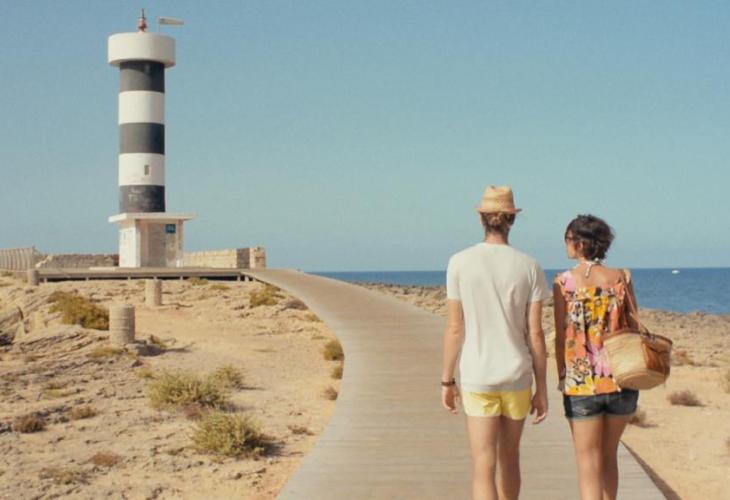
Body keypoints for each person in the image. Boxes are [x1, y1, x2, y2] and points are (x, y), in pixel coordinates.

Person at [441, 185, 550, 500]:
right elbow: (535, 333)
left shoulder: (459, 262)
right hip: (517, 374)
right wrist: (542, 388)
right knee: (510, 458)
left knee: (483, 463)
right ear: (511, 220)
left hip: (478, 374)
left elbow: (455, 328)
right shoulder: (529, 266)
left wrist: (447, 380)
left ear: (482, 219)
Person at [553, 214, 640, 500]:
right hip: (621, 378)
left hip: (581, 384)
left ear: (580, 243)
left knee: (588, 463)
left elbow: (561, 334)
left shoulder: (564, 282)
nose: (565, 244)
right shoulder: (621, 278)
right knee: (608, 456)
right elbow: (634, 327)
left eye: (567, 239)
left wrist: (562, 374)